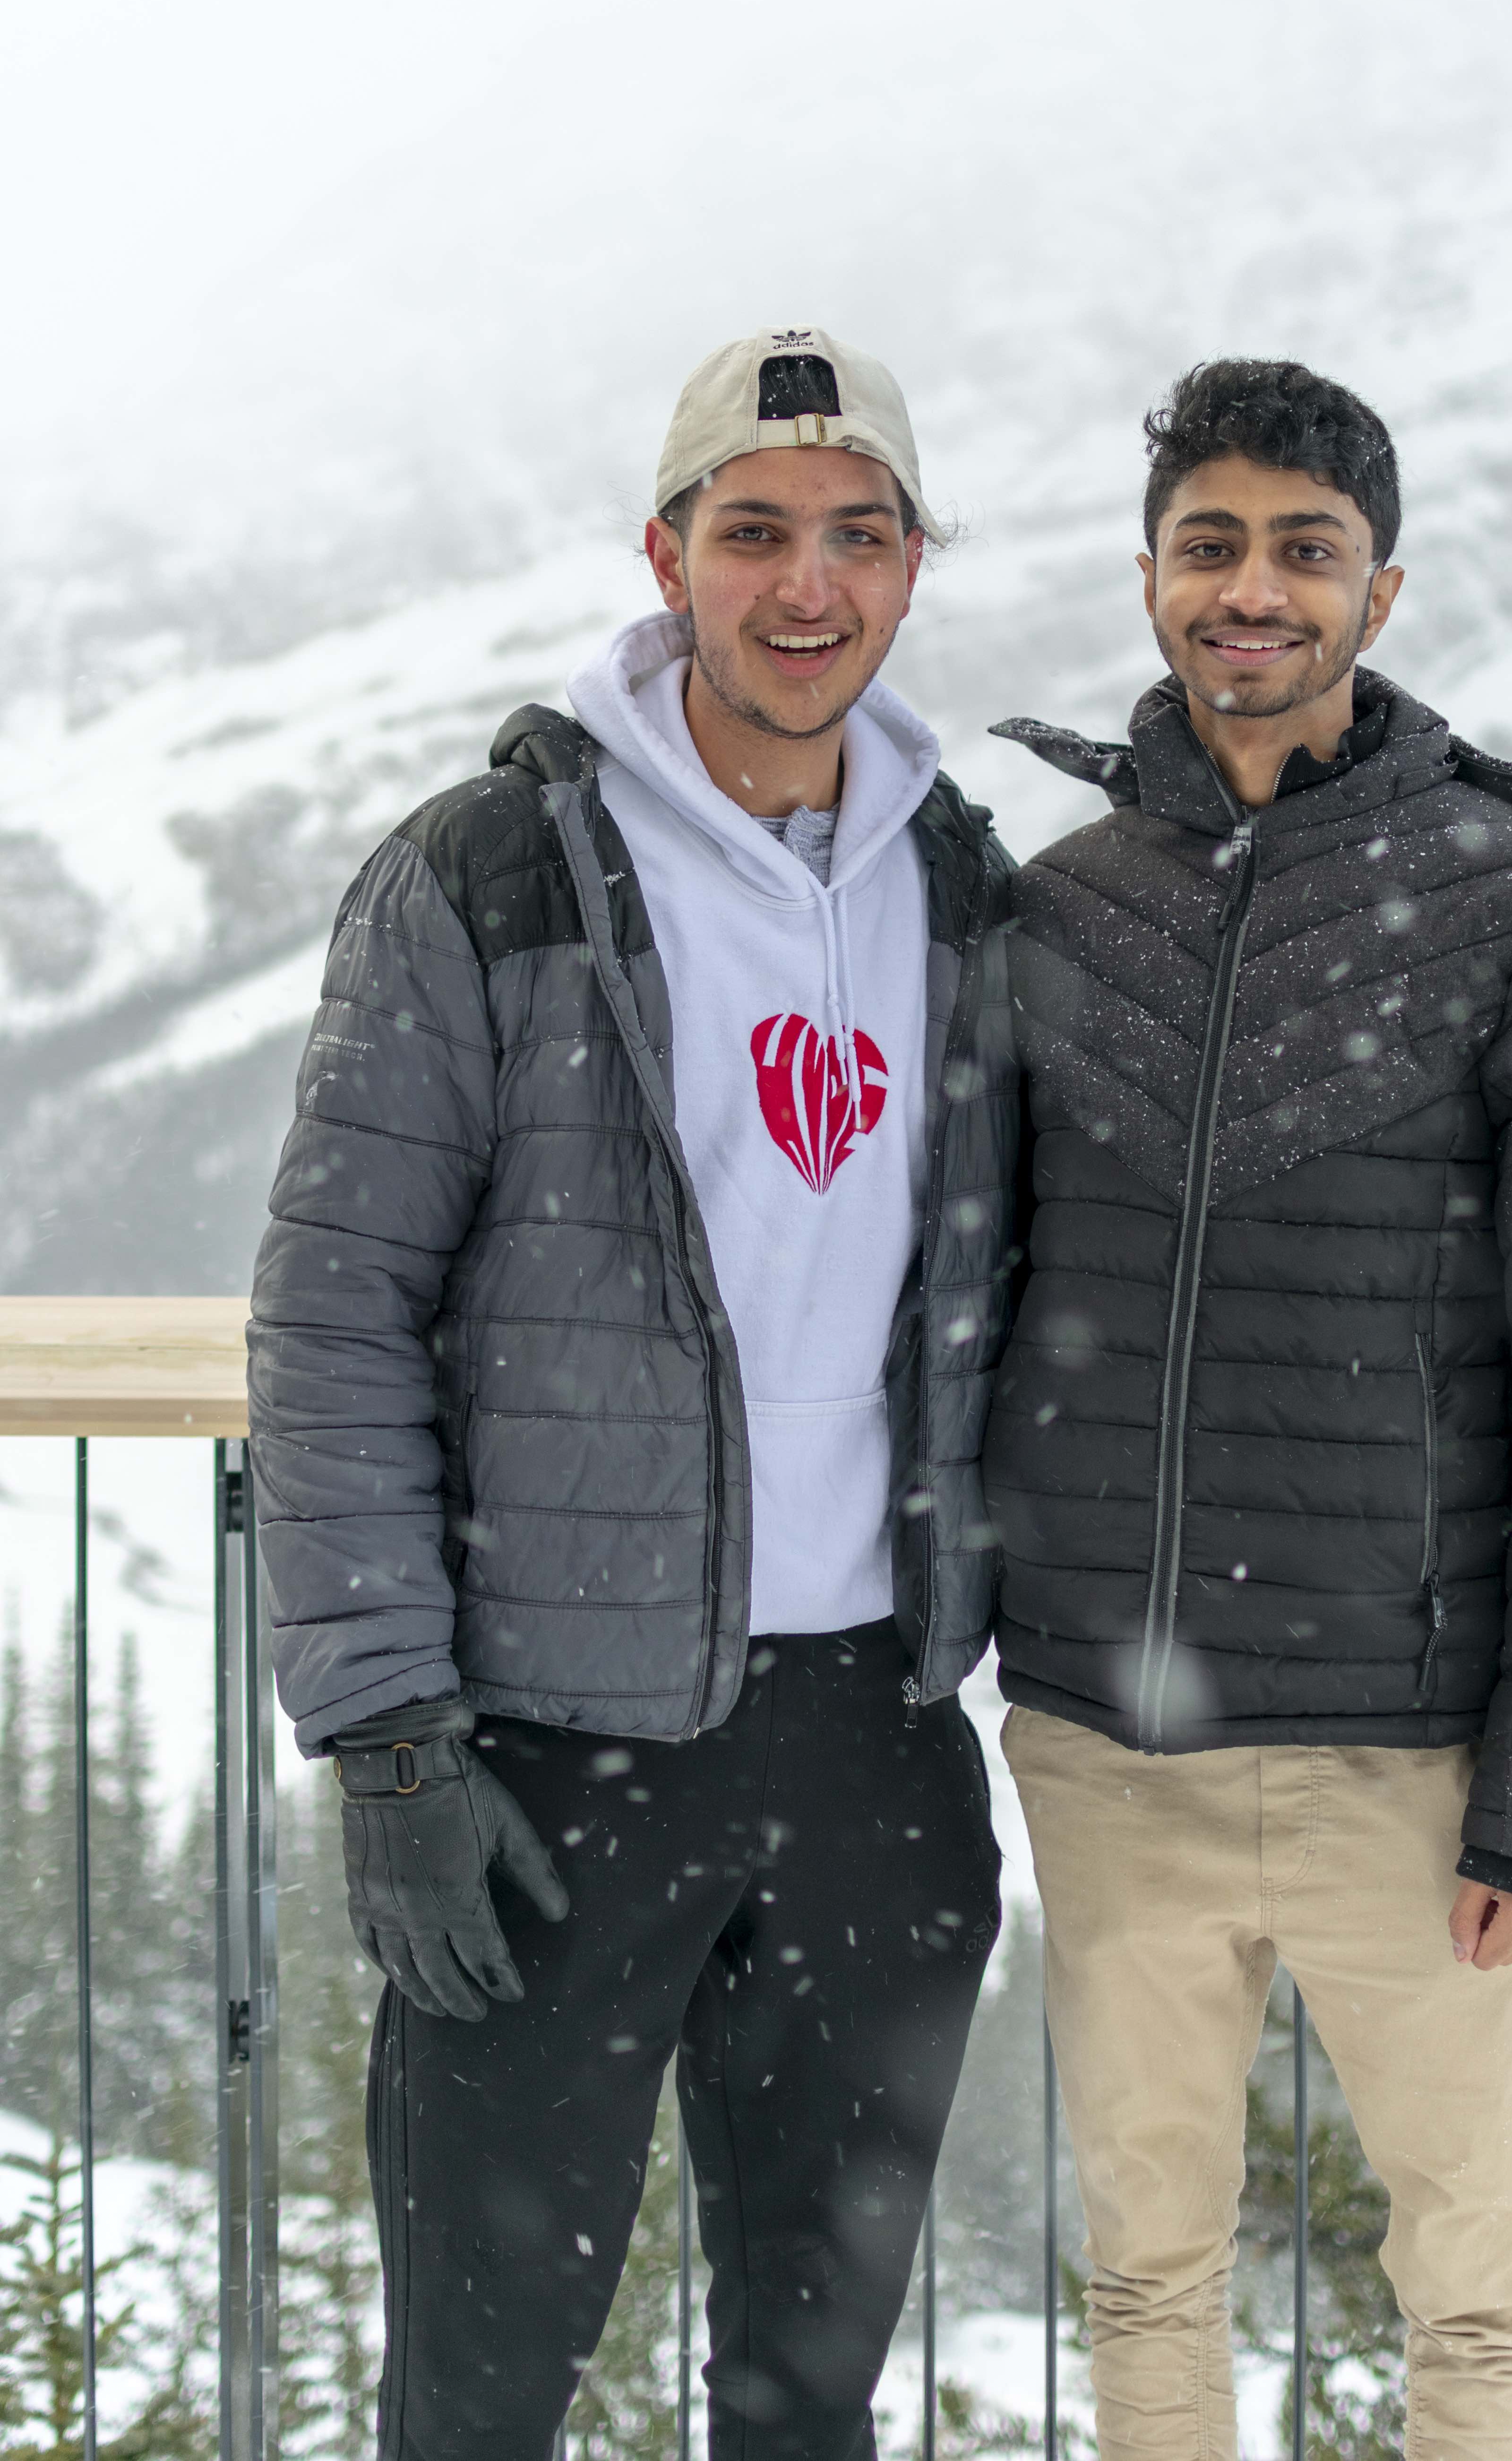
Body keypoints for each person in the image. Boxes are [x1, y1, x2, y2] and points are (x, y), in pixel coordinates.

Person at [247, 327, 1020, 2461]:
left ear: (909, 566)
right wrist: (391, 1740)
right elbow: (331, 1319)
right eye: (754, 532)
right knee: (482, 2392)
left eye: (856, 536)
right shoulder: (490, 874)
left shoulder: (960, 883)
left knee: (805, 2396)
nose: (805, 585)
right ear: (665, 554)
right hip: (553, 1754)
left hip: (871, 1737)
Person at [983, 357, 1512, 2461]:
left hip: (1414, 1752)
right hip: (1112, 1741)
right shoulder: (1061, 906)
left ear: (1381, 595)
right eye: (1211, 546)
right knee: (1144, 2280)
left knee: (1470, 2294)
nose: (1252, 589)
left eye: (1304, 549)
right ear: (1149, 582)